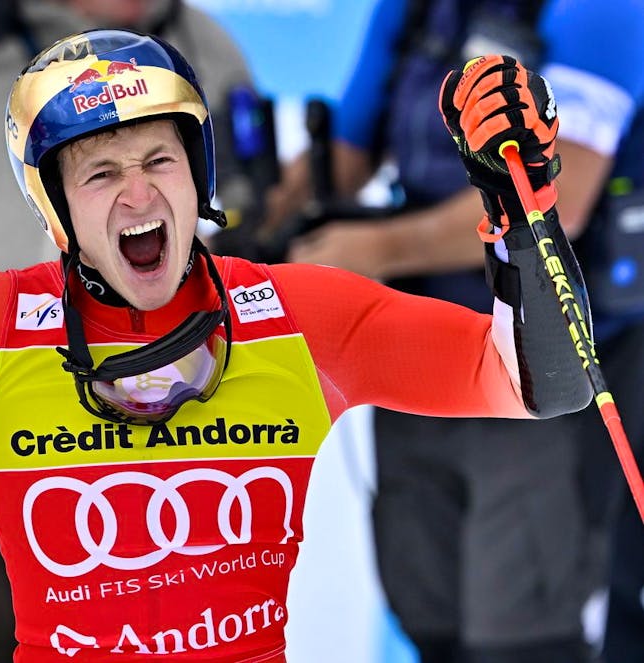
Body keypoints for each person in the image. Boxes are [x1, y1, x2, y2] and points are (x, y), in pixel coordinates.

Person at [0, 29, 594, 662]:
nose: (137, 196)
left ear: (197, 176)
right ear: (57, 210)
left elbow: (534, 383)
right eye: (100, 173)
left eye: (158, 162)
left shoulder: (296, 316)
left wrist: (520, 209)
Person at [0, 3, 256, 659]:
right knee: (20, 636)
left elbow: (246, 199)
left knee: (181, 631)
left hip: (170, 386)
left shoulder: (198, 39)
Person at [264, 1, 644, 661]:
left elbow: (561, 195)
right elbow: (345, 154)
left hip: (549, 368)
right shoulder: (413, 7)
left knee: (524, 632)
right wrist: (255, 228)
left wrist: (377, 249)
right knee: (428, 609)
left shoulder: (602, 8)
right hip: (423, 355)